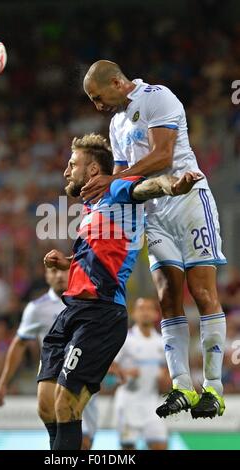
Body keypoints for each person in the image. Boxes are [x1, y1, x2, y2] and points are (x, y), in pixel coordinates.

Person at [37, 132, 203, 450]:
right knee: (46, 404)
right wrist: (68, 261)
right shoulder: (92, 206)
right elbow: (100, 253)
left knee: (65, 405)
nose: (66, 171)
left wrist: (173, 185)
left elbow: (146, 187)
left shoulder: (116, 189)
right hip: (71, 311)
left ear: (93, 171)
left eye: (72, 164)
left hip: (101, 313)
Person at [83, 61, 227, 419]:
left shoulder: (157, 97)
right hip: (154, 211)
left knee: (203, 293)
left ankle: (213, 387)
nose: (97, 107)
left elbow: (163, 155)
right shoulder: (116, 123)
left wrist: (115, 180)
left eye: (98, 98)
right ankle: (182, 385)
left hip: (189, 199)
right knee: (167, 297)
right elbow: (120, 177)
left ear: (117, 83)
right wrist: (101, 190)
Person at [0, 267, 97, 450]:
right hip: (53, 376)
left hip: (82, 376)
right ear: (47, 276)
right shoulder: (37, 308)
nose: (59, 275)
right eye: (54, 271)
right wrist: (3, 382)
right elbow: (19, 343)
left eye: (65, 270)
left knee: (83, 443)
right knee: (70, 438)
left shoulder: (88, 302)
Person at [112, 297, 169, 450]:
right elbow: (109, 368)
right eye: (141, 309)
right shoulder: (125, 339)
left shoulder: (162, 342)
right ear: (134, 314)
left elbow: (166, 373)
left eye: (149, 308)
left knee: (160, 445)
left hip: (152, 402)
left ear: (156, 314)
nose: (145, 312)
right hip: (128, 402)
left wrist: (165, 381)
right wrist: (124, 373)